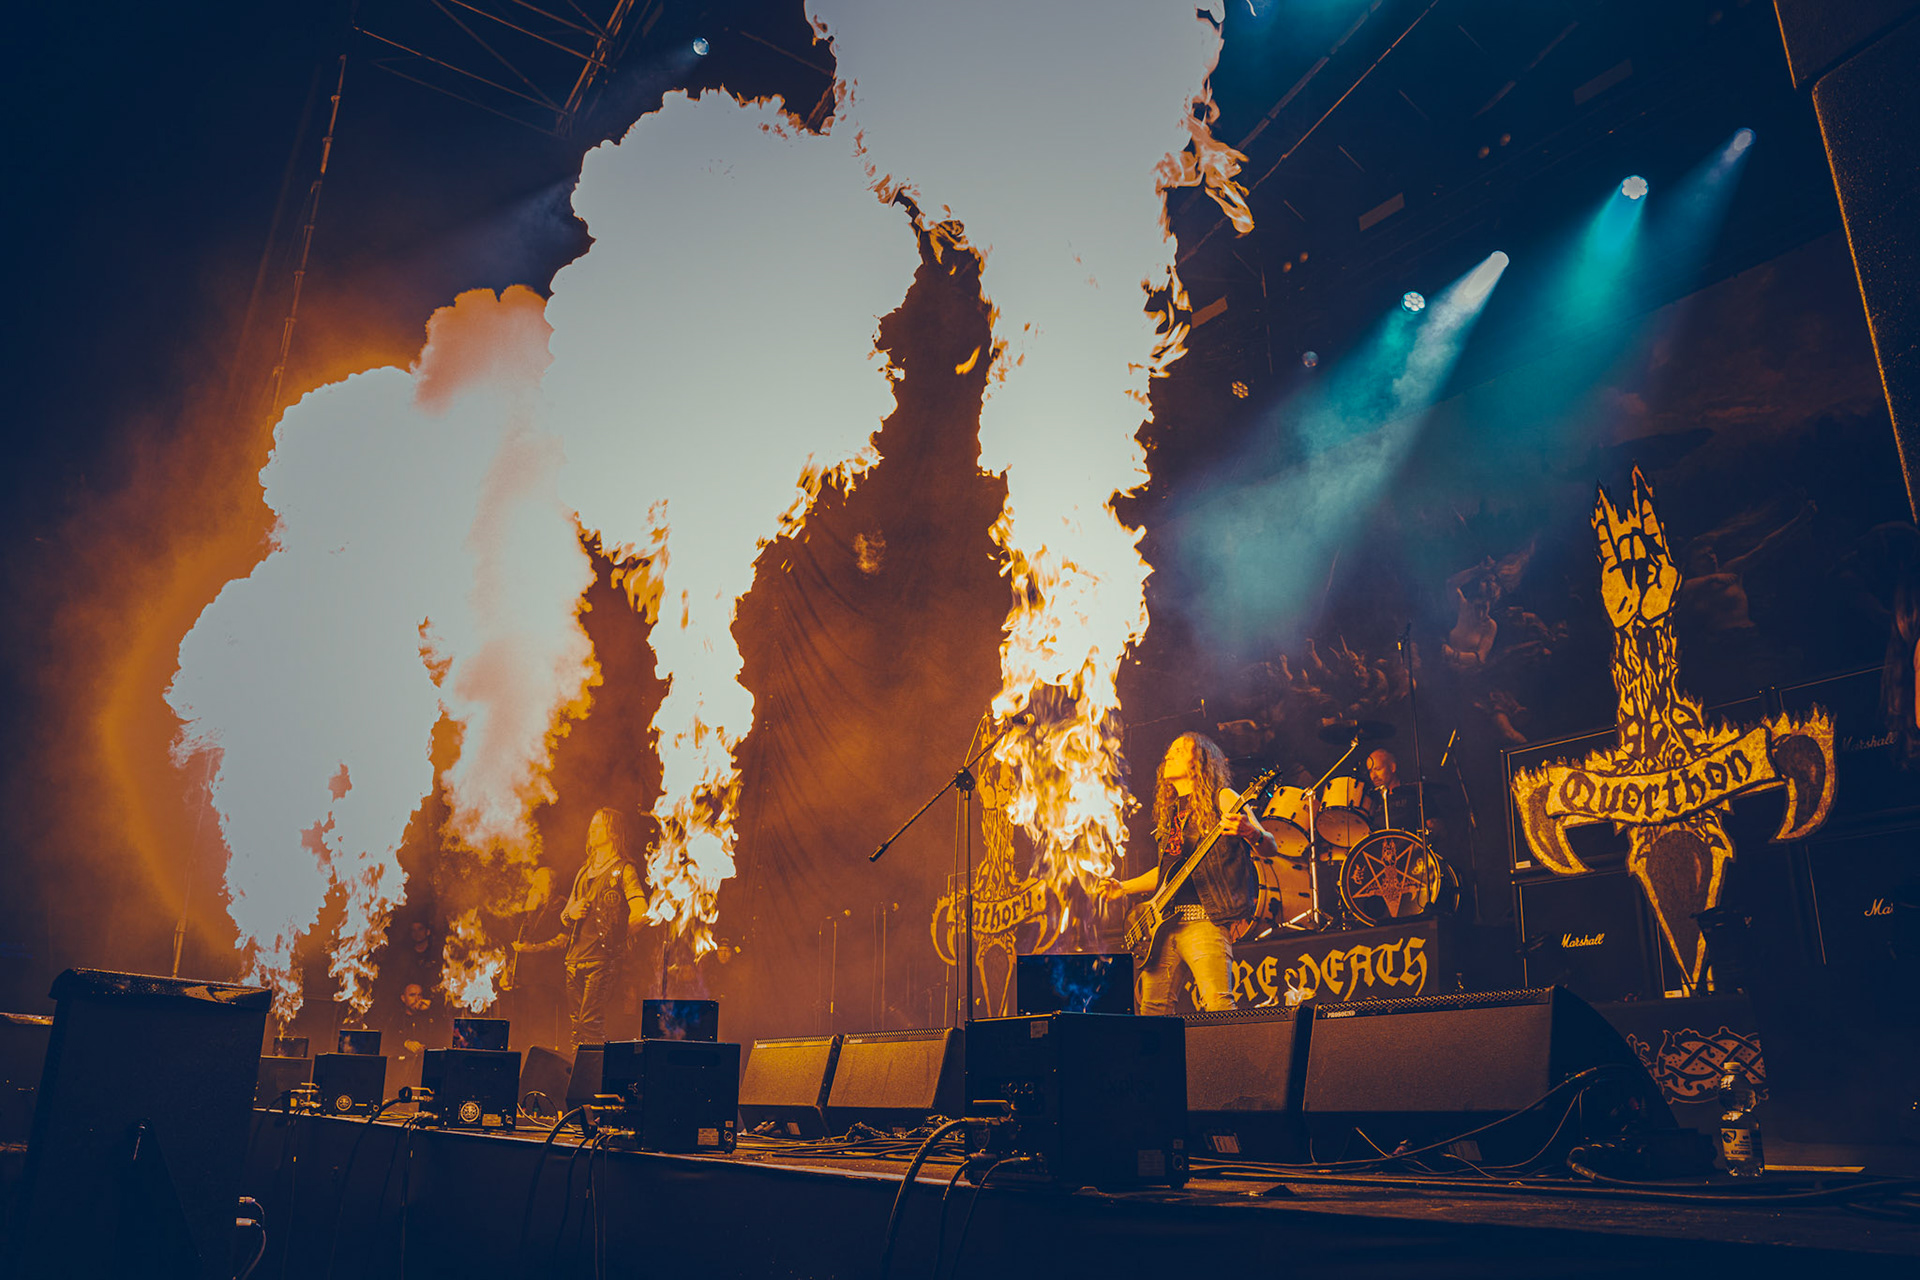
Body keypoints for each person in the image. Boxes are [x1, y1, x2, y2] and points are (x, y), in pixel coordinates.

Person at [1097, 733, 1274, 1014]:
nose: (1169, 755)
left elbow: (1270, 846)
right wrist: (1124, 887)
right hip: (1162, 929)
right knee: (1152, 1011)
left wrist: (1250, 832)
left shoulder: (1223, 797)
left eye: (1179, 750)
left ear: (1200, 760)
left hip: (1205, 922)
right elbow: (1167, 874)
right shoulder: (1170, 814)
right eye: (1170, 750)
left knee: (1218, 1006)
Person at [516, 808, 647, 1047]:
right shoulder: (584, 871)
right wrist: (571, 912)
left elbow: (641, 912)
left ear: (613, 831)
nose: (592, 829)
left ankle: (593, 1080)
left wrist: (617, 938)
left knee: (590, 1024)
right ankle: (579, 1078)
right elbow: (566, 916)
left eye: (599, 825)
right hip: (574, 961)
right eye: (592, 825)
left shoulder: (623, 870)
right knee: (576, 1028)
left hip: (600, 961)